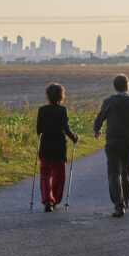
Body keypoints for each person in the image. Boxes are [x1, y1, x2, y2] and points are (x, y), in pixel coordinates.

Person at [93, 73, 129, 217]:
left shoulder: (109, 101)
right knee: (127, 172)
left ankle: (119, 205)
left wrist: (97, 129)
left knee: (113, 173)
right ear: (127, 86)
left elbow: (99, 118)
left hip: (112, 141)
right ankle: (126, 199)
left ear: (115, 87)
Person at [36, 83, 78, 212]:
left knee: (45, 174)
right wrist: (74, 138)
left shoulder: (42, 110)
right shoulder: (62, 110)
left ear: (48, 96)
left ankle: (48, 199)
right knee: (59, 176)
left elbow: (39, 130)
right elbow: (66, 129)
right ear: (61, 95)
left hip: (45, 145)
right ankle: (55, 200)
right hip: (59, 146)